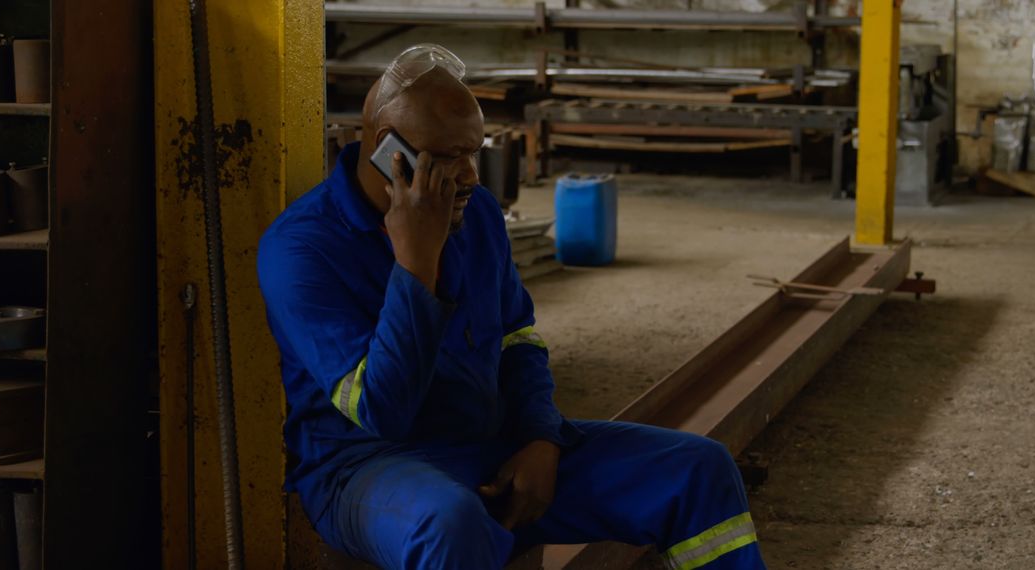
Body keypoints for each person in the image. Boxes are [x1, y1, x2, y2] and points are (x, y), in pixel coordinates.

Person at [257, 44, 765, 570]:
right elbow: (383, 412)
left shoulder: (475, 216)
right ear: (391, 152)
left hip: (491, 443)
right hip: (367, 467)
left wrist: (541, 436)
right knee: (451, 524)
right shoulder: (301, 250)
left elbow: (517, 337)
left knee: (699, 468)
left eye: (475, 151)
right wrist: (416, 264)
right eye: (450, 157)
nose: (473, 176)